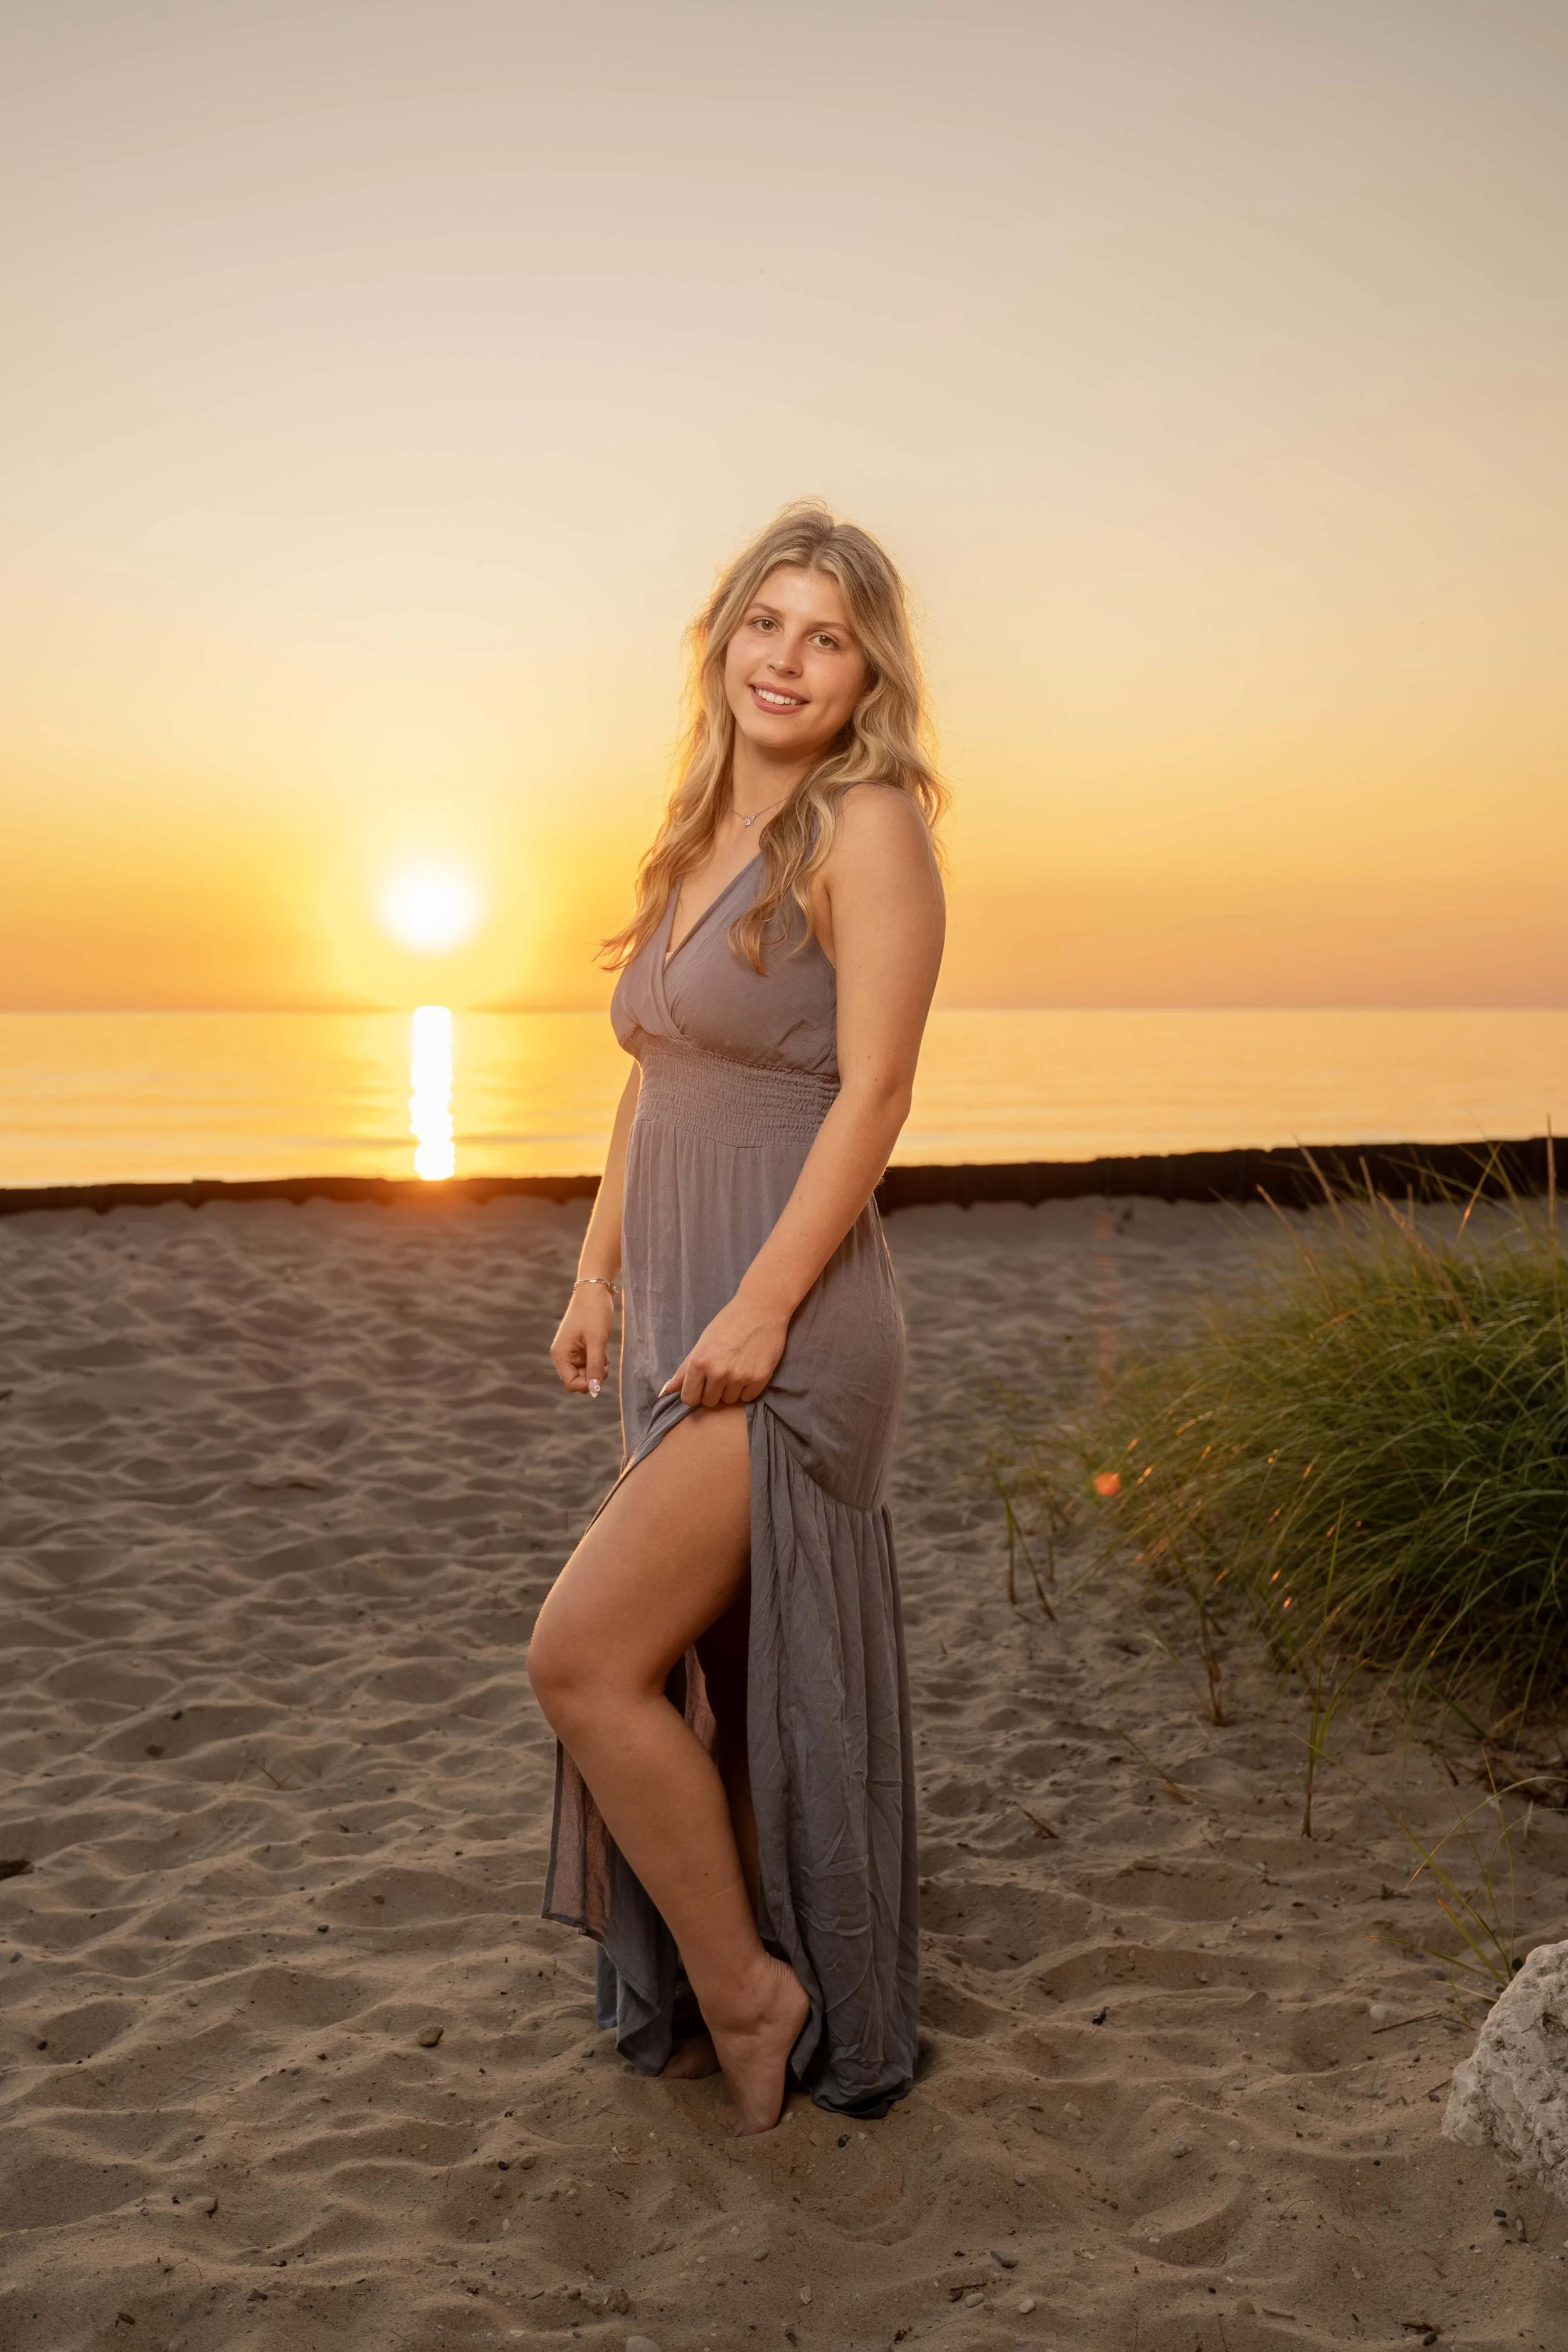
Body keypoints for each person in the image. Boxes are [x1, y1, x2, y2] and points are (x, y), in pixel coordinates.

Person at [527, 501, 946, 2135]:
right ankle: (770, 1957)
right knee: (722, 1669)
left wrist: (764, 1308)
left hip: (796, 1315)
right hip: (675, 1302)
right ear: (721, 640)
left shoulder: (872, 827)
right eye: (765, 622)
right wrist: (594, 1271)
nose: (787, 658)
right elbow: (650, 1090)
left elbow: (879, 1089)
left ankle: (753, 1989)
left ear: (865, 676)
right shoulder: (693, 832)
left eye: (825, 635)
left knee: (582, 1657)